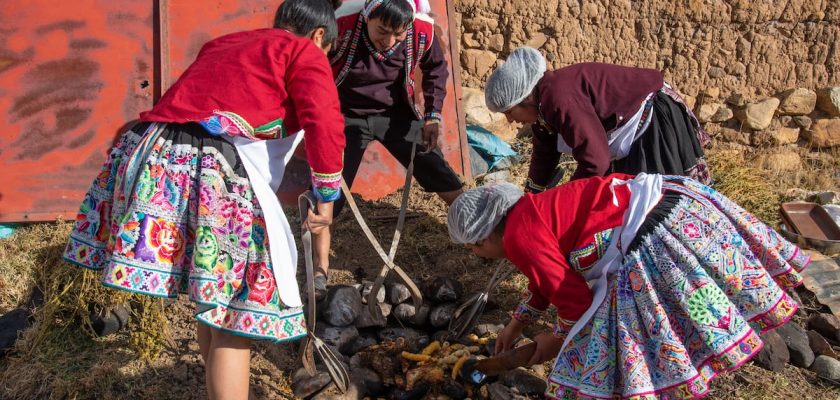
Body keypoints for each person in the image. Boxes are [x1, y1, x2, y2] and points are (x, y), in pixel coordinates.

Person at [62, 1, 345, 398]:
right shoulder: (303, 52)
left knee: (213, 293)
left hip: (157, 157)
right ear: (319, 37)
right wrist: (327, 196)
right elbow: (325, 120)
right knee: (237, 307)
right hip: (213, 171)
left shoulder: (224, 42)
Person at [447, 174, 809, 399]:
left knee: (648, 321)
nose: (480, 254)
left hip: (655, 233)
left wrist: (552, 343)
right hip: (673, 199)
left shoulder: (518, 239)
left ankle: (678, 372)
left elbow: (574, 303)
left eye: (475, 248)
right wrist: (517, 323)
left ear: (481, 239)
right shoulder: (527, 213)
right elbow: (548, 277)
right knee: (692, 302)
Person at [306, 0, 463, 293]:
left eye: (398, 34)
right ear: (368, 15)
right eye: (382, 31)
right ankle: (319, 272)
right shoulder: (342, 27)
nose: (389, 41)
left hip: (395, 115)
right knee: (328, 194)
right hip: (345, 116)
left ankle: (477, 234)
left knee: (435, 167)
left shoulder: (421, 32)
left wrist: (432, 116)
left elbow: (436, 70)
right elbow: (312, 67)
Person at [485, 47, 712, 194]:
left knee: (653, 201)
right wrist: (532, 194)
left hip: (650, 121)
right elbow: (545, 152)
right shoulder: (543, 108)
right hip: (627, 129)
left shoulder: (558, 99)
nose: (512, 121)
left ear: (524, 99)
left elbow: (595, 160)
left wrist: (568, 196)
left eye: (509, 112)